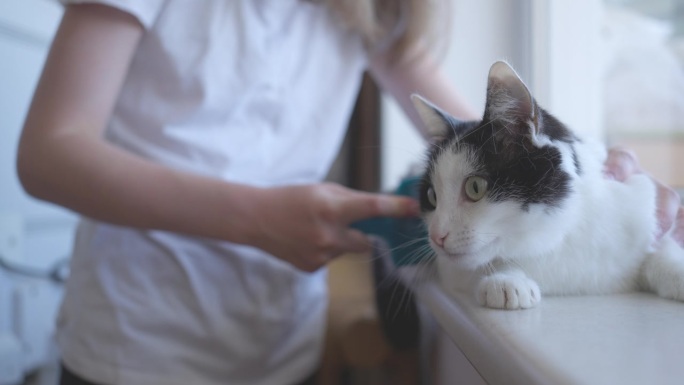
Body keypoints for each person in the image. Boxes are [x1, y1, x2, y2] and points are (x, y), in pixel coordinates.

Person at [16, 1, 683, 385]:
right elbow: (47, 154)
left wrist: (611, 180)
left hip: (286, 350)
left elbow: (500, 135)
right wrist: (254, 218)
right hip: (133, 349)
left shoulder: (368, 10)